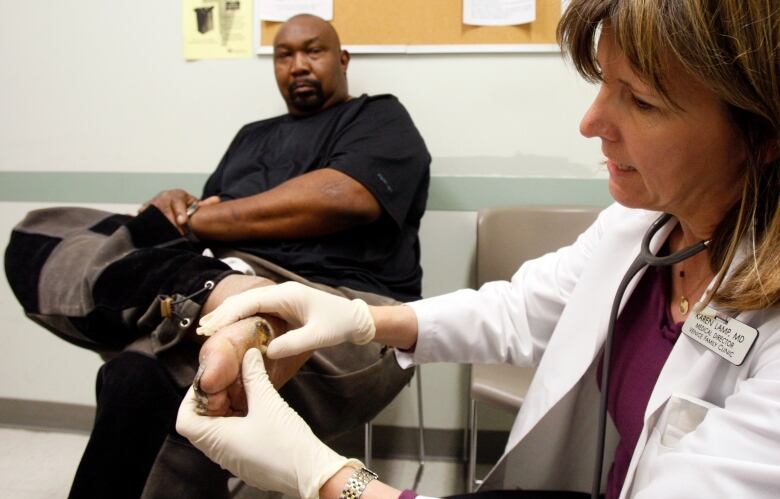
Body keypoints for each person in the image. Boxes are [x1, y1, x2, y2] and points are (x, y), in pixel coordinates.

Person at [176, 0, 780, 498]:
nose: (591, 122)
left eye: (641, 100)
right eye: (602, 84)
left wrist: (325, 476)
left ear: (762, 132)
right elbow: (519, 311)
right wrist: (361, 320)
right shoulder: (642, 228)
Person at [44, 13, 430, 499]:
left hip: (348, 308)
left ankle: (150, 304)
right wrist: (178, 208)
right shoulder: (252, 136)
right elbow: (211, 219)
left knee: (179, 383)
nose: (298, 65)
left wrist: (196, 220)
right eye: (284, 55)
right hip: (223, 288)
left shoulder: (378, 118)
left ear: (343, 58)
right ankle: (159, 297)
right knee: (130, 366)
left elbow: (341, 197)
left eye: (314, 51)